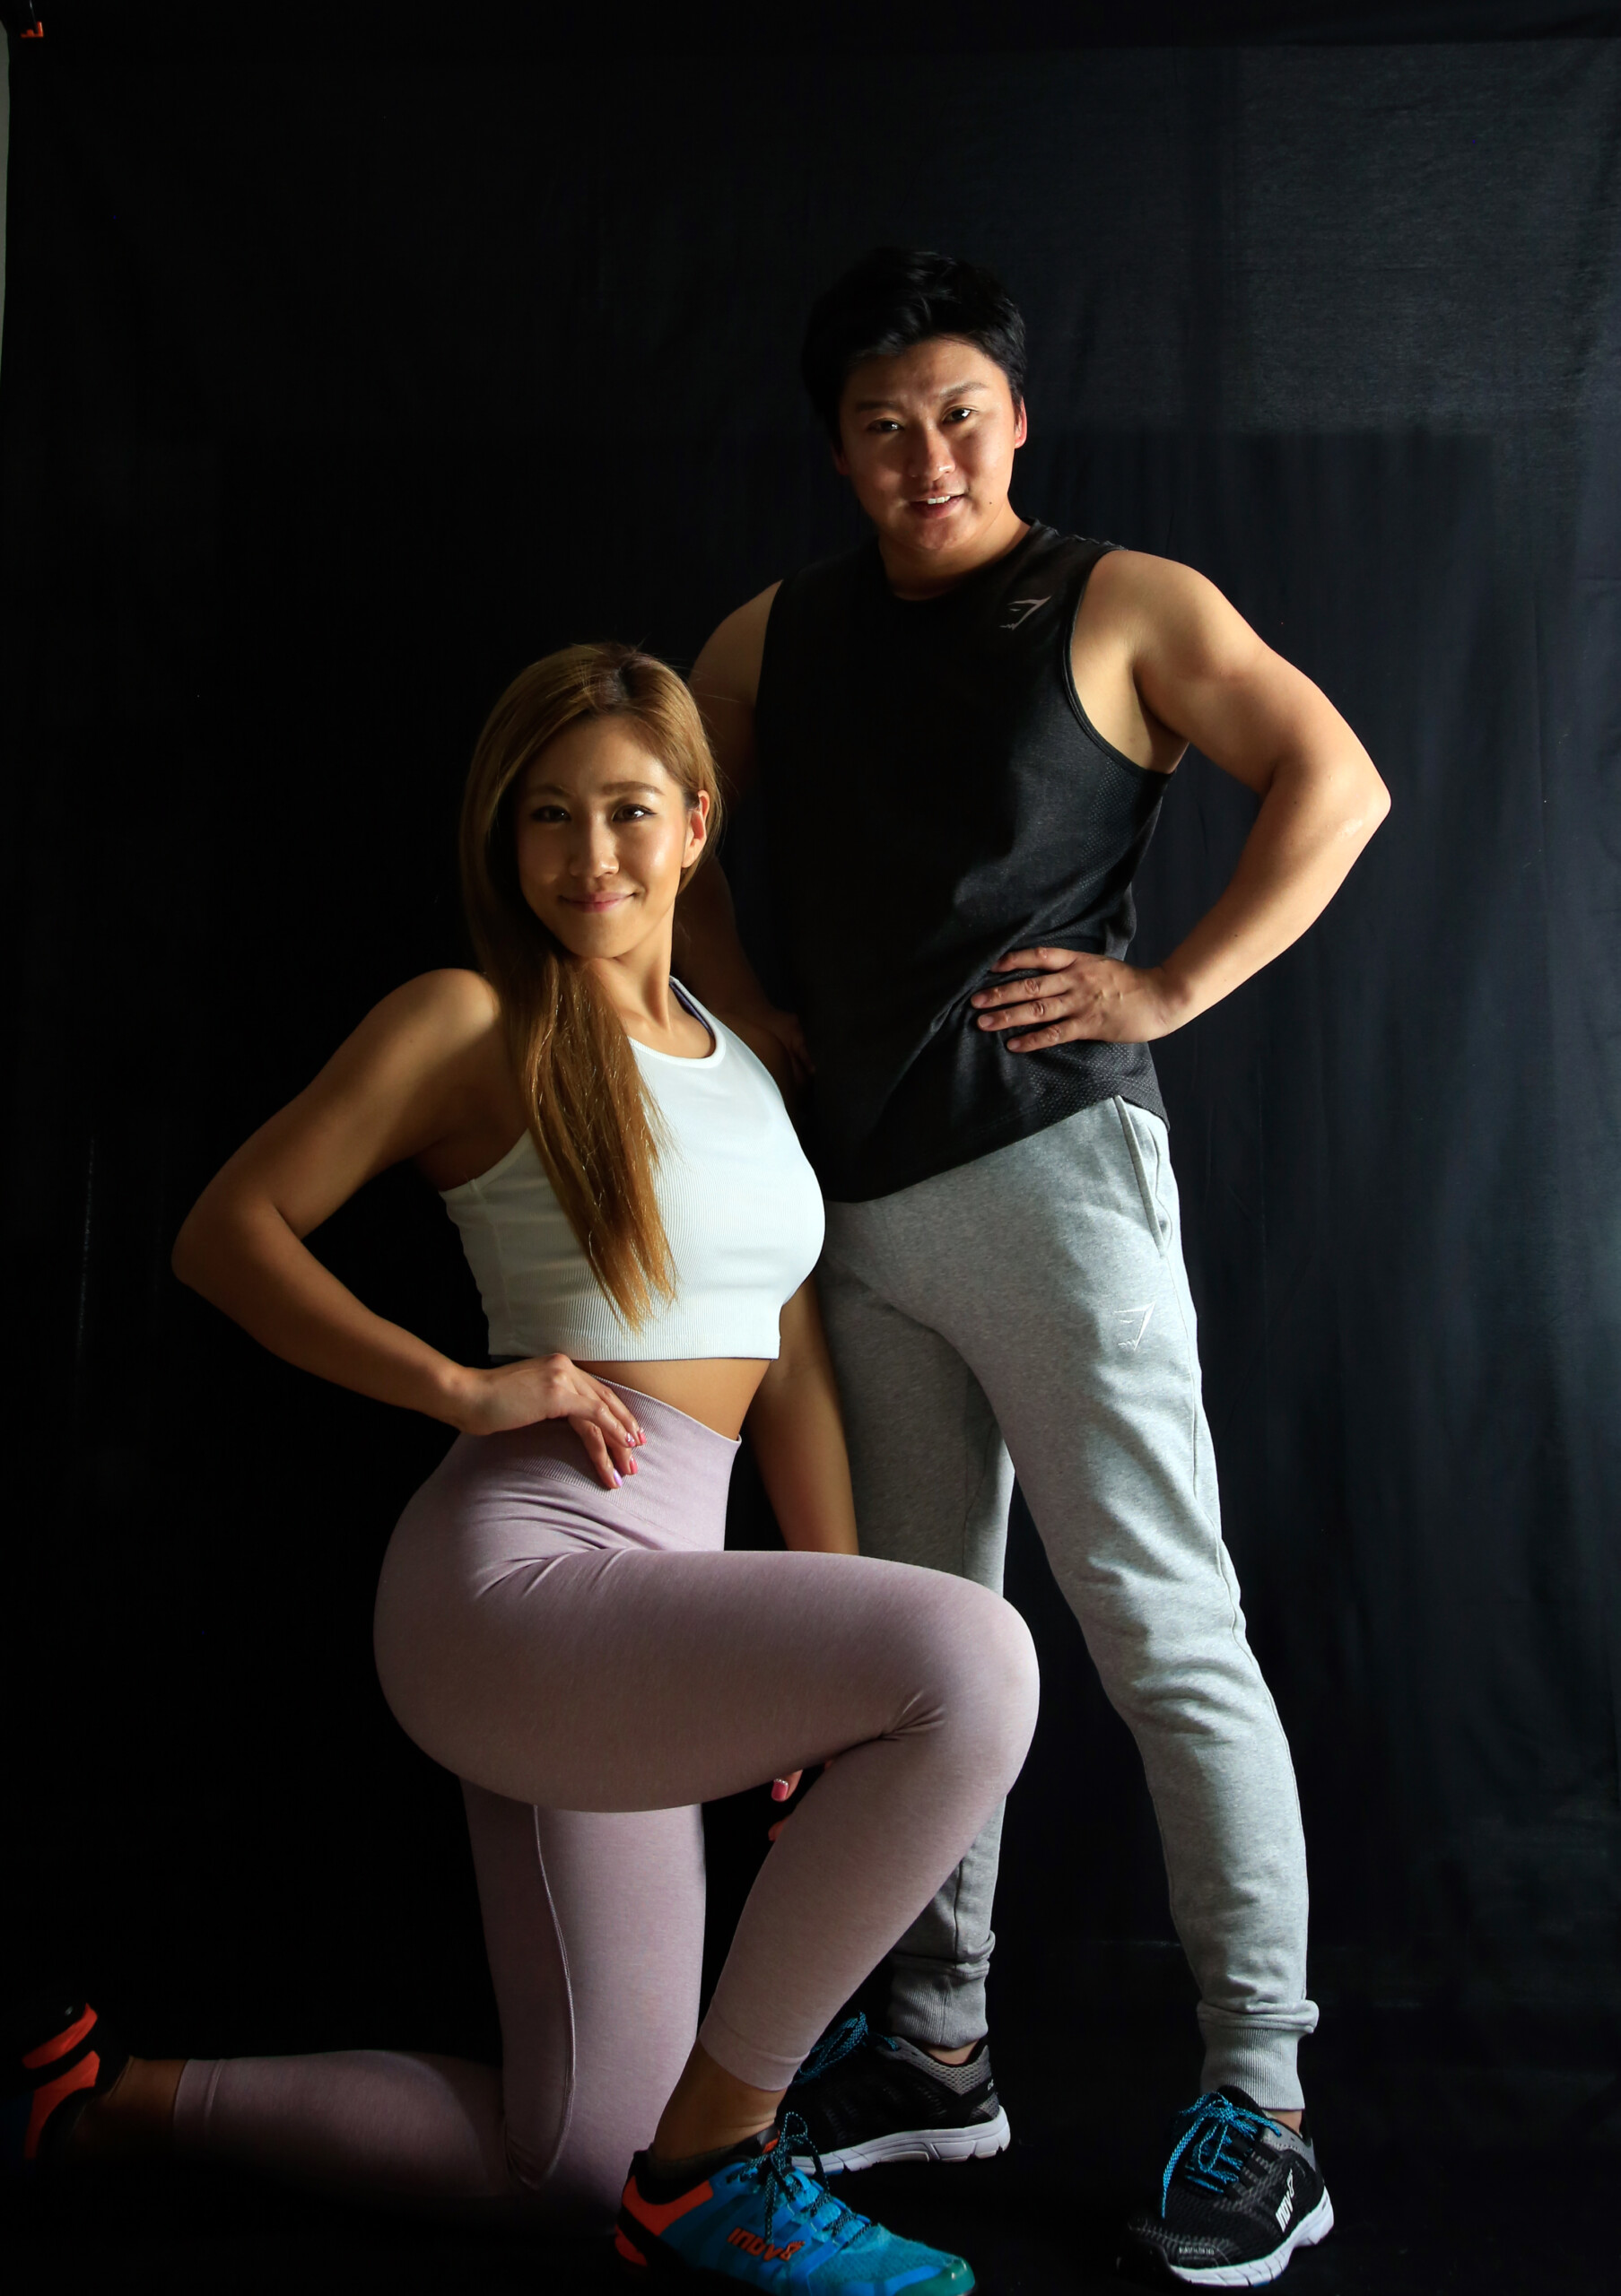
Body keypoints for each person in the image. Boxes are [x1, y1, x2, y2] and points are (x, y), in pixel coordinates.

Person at [9, 643, 1040, 2296]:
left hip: (654, 1611)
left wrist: (830, 1674)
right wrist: (459, 1387)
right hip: (519, 1585)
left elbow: (793, 1375)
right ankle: (715, 2170)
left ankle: (101, 2102)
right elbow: (225, 1234)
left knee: (571, 2159)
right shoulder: (473, 1020)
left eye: (627, 810)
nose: (588, 853)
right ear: (507, 837)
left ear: (696, 823)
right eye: (546, 815)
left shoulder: (743, 1062)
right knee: (977, 1661)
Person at [676, 248, 1390, 2288]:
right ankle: (935, 2044)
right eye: (884, 425)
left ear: (1015, 417)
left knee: (1163, 1631)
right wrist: (753, 1020)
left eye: (959, 413)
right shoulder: (771, 634)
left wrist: (1170, 987)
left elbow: (1336, 780)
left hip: (1056, 1180)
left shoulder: (1124, 600)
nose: (928, 455)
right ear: (838, 449)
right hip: (851, 1209)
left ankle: (1265, 2101)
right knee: (922, 1657)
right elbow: (670, 829)